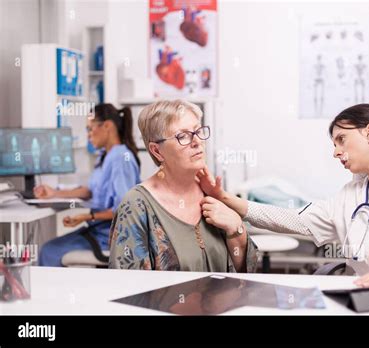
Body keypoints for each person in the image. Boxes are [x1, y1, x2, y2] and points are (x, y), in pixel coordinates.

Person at [197, 104, 369, 287]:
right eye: (333, 144)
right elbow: (296, 220)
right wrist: (228, 199)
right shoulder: (349, 197)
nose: (335, 152)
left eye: (341, 139)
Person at [108, 99, 257, 272]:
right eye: (183, 136)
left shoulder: (210, 191)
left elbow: (244, 275)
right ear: (157, 150)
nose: (197, 142)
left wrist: (237, 231)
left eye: (198, 131)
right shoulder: (136, 205)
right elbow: (129, 287)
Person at [36, 104, 141, 267]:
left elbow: (124, 210)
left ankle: (51, 293)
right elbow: (90, 191)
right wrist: (54, 193)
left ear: (107, 126)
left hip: (110, 237)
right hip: (97, 230)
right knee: (49, 248)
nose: (89, 135)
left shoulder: (121, 158)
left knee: (48, 251)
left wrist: (86, 217)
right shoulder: (105, 156)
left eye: (90, 129)